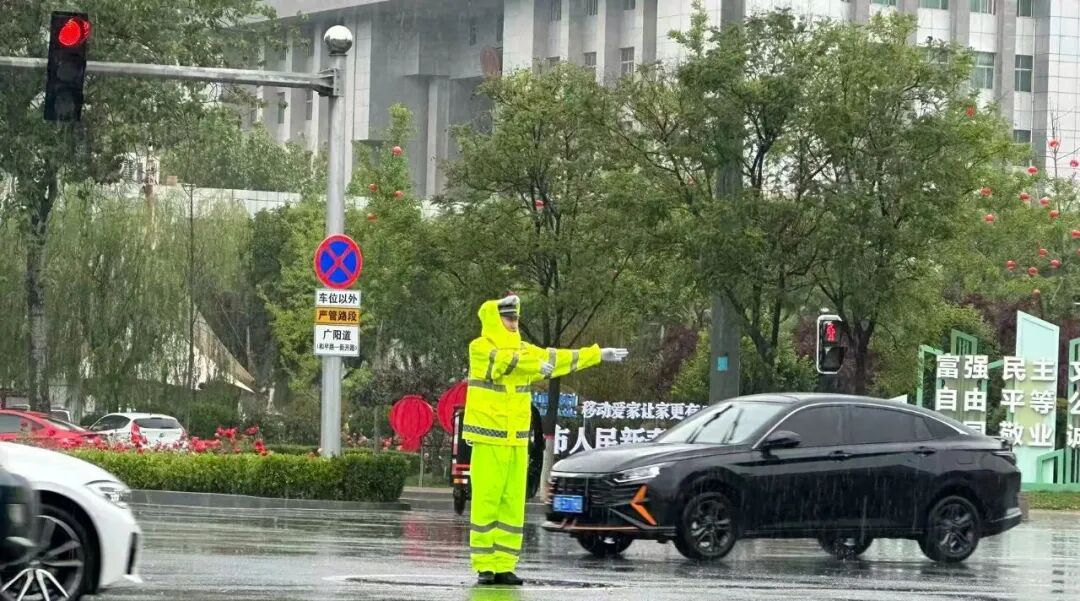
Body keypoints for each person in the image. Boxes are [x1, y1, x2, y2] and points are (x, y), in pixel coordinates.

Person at [464, 294, 628, 586]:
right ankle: (484, 566)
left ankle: (504, 565)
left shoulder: (525, 350)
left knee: (512, 504)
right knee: (487, 502)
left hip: (517, 441)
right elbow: (502, 363)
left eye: (516, 318)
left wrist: (597, 354)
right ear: (495, 318)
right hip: (488, 439)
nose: (514, 323)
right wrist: (534, 365)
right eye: (508, 318)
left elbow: (559, 358)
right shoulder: (481, 347)